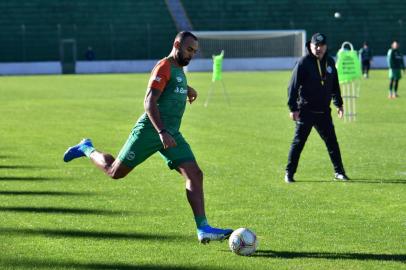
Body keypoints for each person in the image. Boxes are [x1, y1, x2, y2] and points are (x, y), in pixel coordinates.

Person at [63, 31, 232, 243]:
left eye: (195, 52)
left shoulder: (179, 69)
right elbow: (149, 102)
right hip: (151, 131)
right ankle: (86, 148)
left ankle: (203, 228)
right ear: (177, 44)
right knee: (115, 171)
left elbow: (172, 85)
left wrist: (187, 88)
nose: (192, 55)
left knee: (195, 174)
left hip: (172, 133)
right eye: (189, 49)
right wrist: (161, 132)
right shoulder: (164, 66)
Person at [284, 33, 349, 183]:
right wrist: (293, 108)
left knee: (332, 142)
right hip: (305, 111)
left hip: (323, 111)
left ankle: (339, 172)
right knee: (298, 143)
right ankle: (289, 173)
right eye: (316, 46)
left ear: (326, 47)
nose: (318, 48)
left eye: (321, 46)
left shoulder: (330, 62)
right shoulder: (303, 63)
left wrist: (338, 103)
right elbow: (292, 87)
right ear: (310, 45)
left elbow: (334, 85)